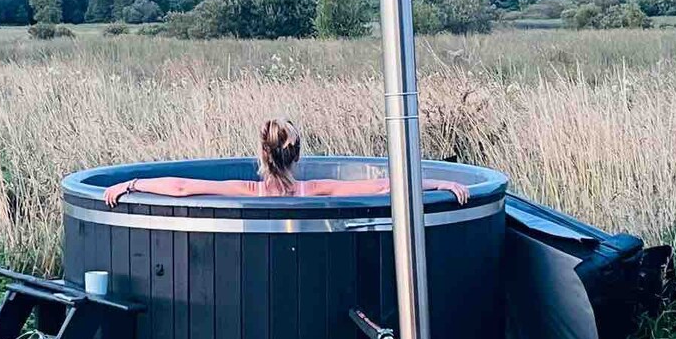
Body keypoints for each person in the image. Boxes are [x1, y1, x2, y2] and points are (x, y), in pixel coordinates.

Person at [104, 119, 470, 207]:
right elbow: (384, 186)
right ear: (297, 155)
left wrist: (132, 185)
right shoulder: (316, 190)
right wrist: (438, 184)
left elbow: (182, 187)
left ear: (261, 154)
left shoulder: (245, 191)